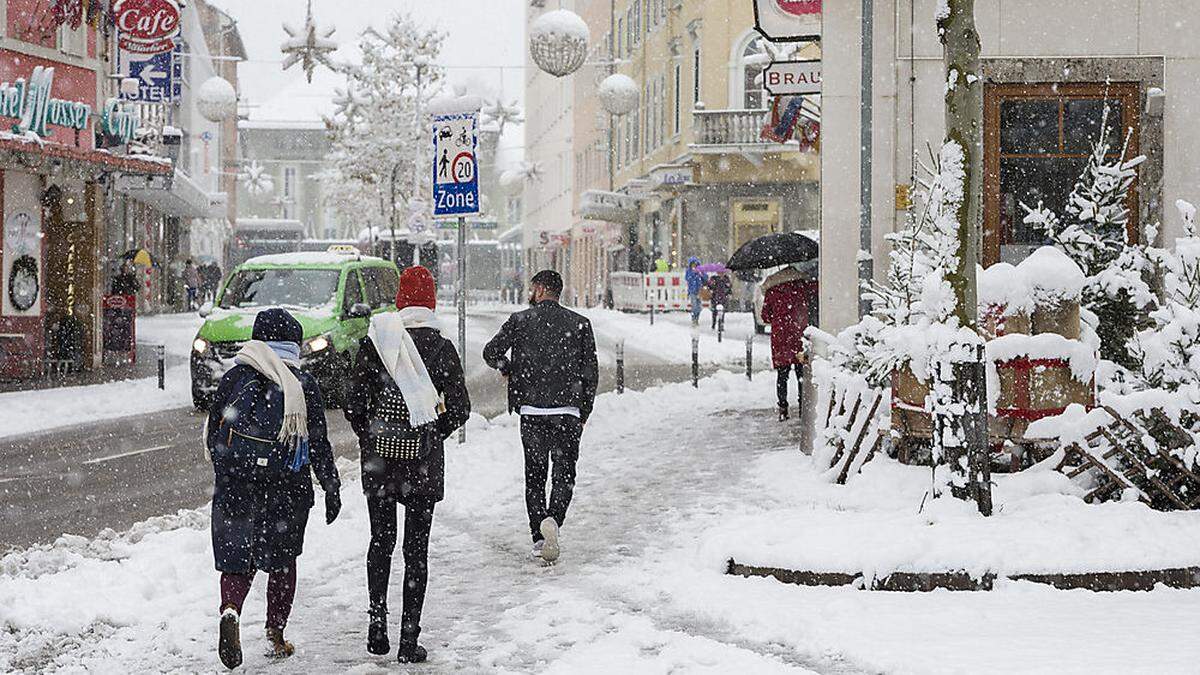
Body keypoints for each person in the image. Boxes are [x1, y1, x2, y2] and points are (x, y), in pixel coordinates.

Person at [344, 266, 470, 664]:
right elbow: (461, 407)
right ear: (430, 301)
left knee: (381, 541)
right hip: (422, 465)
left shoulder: (377, 342)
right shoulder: (441, 348)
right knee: (416, 551)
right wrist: (432, 435)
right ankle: (407, 640)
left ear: (400, 300)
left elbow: (353, 402)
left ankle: (376, 625)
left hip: (380, 461)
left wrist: (372, 436)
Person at [204, 308, 341, 669]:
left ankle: (231, 609)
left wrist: (228, 470)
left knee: (238, 556)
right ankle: (275, 633)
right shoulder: (302, 384)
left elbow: (212, 432)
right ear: (293, 346)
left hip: (237, 484)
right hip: (287, 487)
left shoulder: (235, 377)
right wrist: (330, 484)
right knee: (282, 561)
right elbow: (318, 442)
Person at [483, 270, 598, 564]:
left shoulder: (520, 321)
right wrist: (583, 410)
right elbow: (590, 373)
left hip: (532, 411)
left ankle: (538, 536)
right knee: (564, 474)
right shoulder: (580, 324)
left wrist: (507, 368)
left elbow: (491, 351)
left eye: (533, 287)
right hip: (567, 411)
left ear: (543, 288)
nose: (530, 292)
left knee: (535, 476)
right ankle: (554, 521)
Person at [761, 269, 814, 421]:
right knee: (801, 374)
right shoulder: (802, 286)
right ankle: (803, 407)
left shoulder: (772, 290)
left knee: (782, 375)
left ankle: (783, 408)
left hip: (780, 337)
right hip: (799, 335)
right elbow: (812, 302)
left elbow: (765, 316)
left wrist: (778, 316)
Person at [684, 257, 707, 326]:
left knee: (699, 307)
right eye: (692, 264)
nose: (694, 266)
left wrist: (701, 274)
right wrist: (694, 274)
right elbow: (687, 278)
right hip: (692, 291)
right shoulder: (689, 271)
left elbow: (705, 278)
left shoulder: (700, 270)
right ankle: (694, 319)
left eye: (695, 264)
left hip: (699, 291)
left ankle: (697, 319)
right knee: (694, 306)